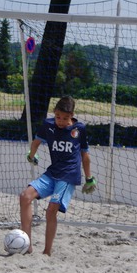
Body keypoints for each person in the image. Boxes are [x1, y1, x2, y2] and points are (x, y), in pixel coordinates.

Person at [20, 95, 95, 255]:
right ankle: (27, 245)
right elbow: (36, 143)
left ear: (72, 115)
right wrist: (31, 155)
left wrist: (89, 179)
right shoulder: (48, 125)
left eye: (65, 118)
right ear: (54, 112)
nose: (60, 121)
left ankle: (47, 252)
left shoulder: (79, 129)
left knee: (51, 209)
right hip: (52, 172)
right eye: (58, 116)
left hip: (68, 175)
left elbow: (85, 156)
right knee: (25, 196)